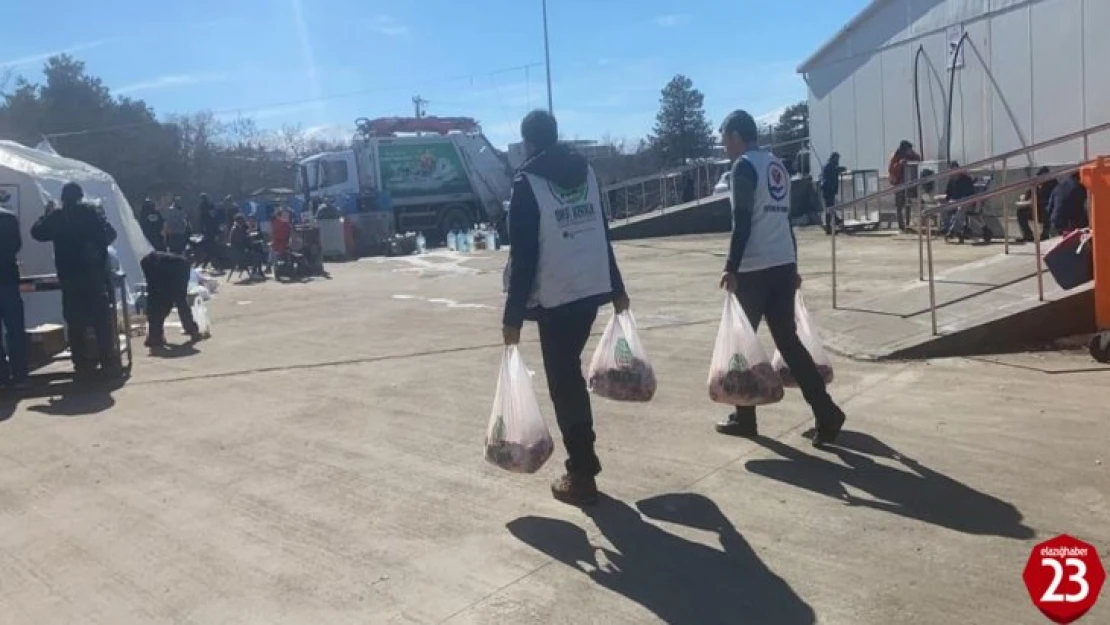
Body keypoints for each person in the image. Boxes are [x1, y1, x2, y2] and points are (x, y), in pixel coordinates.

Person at [502, 110, 629, 506]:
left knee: (565, 383)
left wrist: (512, 316)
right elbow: (601, 232)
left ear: (529, 143)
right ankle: (584, 460)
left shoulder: (528, 183)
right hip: (591, 290)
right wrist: (617, 287)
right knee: (569, 374)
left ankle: (582, 470)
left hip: (556, 297)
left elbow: (524, 256)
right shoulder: (587, 173)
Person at [714, 110, 846, 445]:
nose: (723, 145)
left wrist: (731, 266)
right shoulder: (777, 166)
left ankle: (745, 417)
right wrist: (794, 265)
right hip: (782, 264)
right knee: (788, 343)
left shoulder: (743, 167)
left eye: (724, 138)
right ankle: (826, 412)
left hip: (755, 269)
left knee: (742, 345)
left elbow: (742, 221)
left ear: (735, 135)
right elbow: (783, 220)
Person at [30, 183, 120, 377]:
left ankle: (81, 364)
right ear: (80, 196)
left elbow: (37, 232)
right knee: (101, 321)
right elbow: (111, 235)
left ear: (63, 198)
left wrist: (47, 213)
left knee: (75, 321)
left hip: (70, 277)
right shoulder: (91, 213)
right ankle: (107, 361)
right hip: (94, 276)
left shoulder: (59, 216)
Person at [140, 250, 201, 348]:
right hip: (161, 266)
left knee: (157, 302)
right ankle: (192, 330)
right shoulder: (183, 265)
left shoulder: (180, 263)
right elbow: (179, 297)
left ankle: (155, 335)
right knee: (178, 302)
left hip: (158, 266)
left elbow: (155, 291)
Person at [0, 204, 28, 390]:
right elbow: (17, 245)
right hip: (8, 278)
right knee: (15, 330)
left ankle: (2, 377)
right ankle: (20, 375)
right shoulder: (9, 218)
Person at [888, 140, 922, 231]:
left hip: (909, 183)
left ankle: (907, 223)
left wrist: (912, 156)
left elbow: (919, 159)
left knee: (908, 204)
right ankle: (901, 224)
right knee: (899, 205)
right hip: (899, 183)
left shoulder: (912, 155)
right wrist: (899, 164)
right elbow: (891, 169)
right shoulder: (895, 156)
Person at [1017, 167, 1055, 242]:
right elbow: (1029, 193)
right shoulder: (1038, 184)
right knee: (1021, 212)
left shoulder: (1052, 183)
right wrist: (1026, 197)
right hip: (1036, 209)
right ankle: (1028, 235)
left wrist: (1034, 201)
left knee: (1046, 210)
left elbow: (1049, 199)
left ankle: (1045, 234)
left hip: (1047, 209)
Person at [941, 162, 977, 237]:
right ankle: (946, 227)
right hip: (954, 201)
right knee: (943, 208)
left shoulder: (966, 179)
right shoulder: (951, 180)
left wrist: (962, 201)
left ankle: (954, 230)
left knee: (961, 208)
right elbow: (948, 194)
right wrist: (947, 200)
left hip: (966, 202)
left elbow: (970, 194)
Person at [821, 152, 846, 234]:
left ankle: (836, 221)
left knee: (830, 208)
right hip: (828, 191)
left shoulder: (830, 165)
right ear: (833, 158)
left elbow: (836, 170)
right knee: (829, 209)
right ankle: (829, 227)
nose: (838, 160)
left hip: (829, 190)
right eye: (837, 158)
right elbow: (836, 170)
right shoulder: (829, 166)